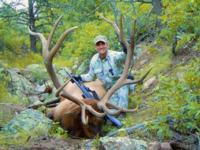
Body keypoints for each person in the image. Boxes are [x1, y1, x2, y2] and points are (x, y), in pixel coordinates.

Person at [73, 35, 134, 109]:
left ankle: (123, 116)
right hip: (109, 89)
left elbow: (124, 56)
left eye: (103, 44)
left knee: (122, 97)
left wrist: (126, 50)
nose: (101, 46)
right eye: (98, 45)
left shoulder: (114, 56)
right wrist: (79, 77)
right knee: (108, 107)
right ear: (96, 47)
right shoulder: (94, 60)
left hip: (121, 84)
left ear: (107, 45)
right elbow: (90, 76)